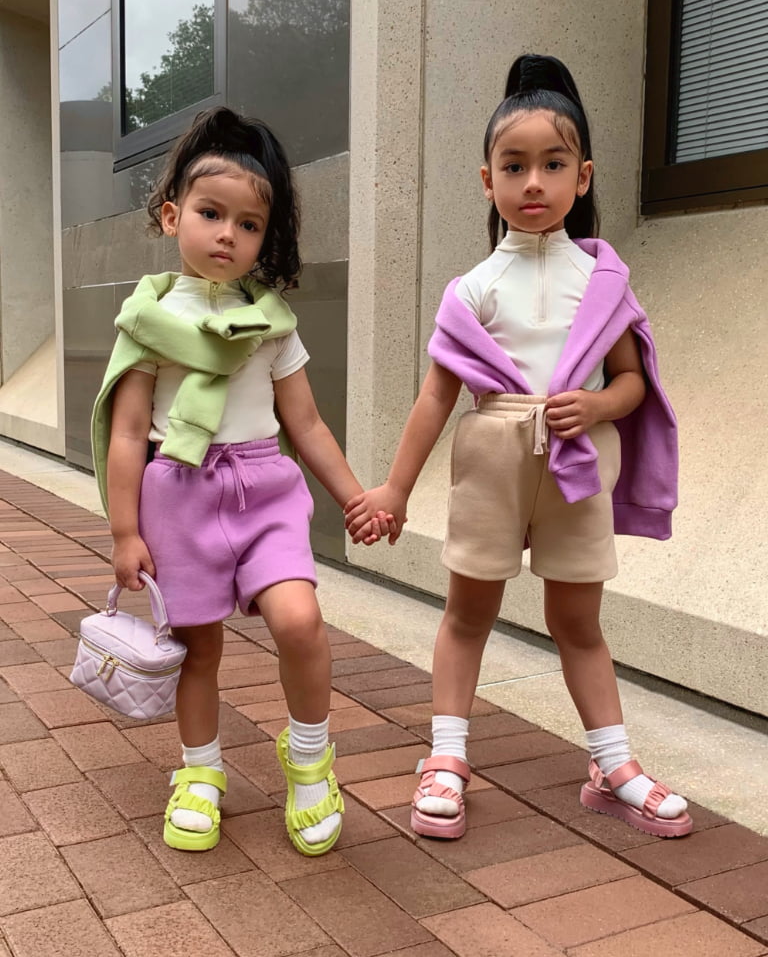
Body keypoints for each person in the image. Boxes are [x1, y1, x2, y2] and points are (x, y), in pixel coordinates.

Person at [344, 54, 692, 840]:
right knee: (468, 613)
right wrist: (395, 487)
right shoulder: (471, 289)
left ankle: (612, 765)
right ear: (487, 180)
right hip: (492, 461)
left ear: (583, 176)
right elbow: (436, 397)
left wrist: (597, 403)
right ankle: (446, 756)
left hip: (576, 464)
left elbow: (633, 383)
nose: (534, 182)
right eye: (514, 165)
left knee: (579, 619)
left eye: (553, 164)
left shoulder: (603, 280)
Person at [91, 106, 391, 856]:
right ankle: (200, 771)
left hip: (264, 490)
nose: (228, 234)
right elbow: (127, 433)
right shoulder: (147, 321)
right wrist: (124, 532)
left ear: (265, 235)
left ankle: (310, 758)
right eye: (210, 213)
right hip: (178, 493)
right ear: (172, 215)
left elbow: (307, 424)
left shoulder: (272, 324)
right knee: (198, 648)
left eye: (248, 224)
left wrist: (354, 496)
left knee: (299, 620)